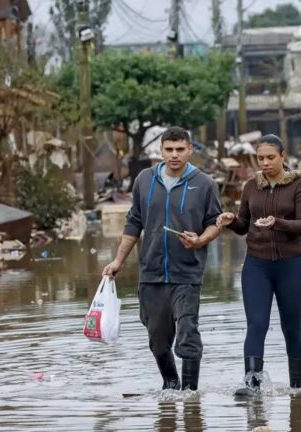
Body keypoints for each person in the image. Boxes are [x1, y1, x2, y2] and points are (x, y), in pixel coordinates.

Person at [102, 126, 223, 391]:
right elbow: (134, 222)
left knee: (188, 334)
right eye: (169, 150)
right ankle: (170, 383)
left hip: (187, 273)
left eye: (180, 149)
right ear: (161, 151)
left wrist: (201, 240)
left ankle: (190, 394)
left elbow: (215, 222)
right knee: (157, 340)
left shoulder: (205, 184)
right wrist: (118, 261)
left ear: (190, 150)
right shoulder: (144, 180)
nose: (175, 155)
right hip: (151, 273)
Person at [216, 134, 301, 397]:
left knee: (291, 328)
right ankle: (252, 383)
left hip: (290, 266)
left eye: (271, 157)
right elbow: (243, 225)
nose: (265, 163)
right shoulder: (251, 186)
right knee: (256, 324)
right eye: (260, 158)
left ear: (283, 156)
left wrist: (277, 222)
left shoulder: (300, 185)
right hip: (256, 266)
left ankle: (297, 388)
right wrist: (230, 220)